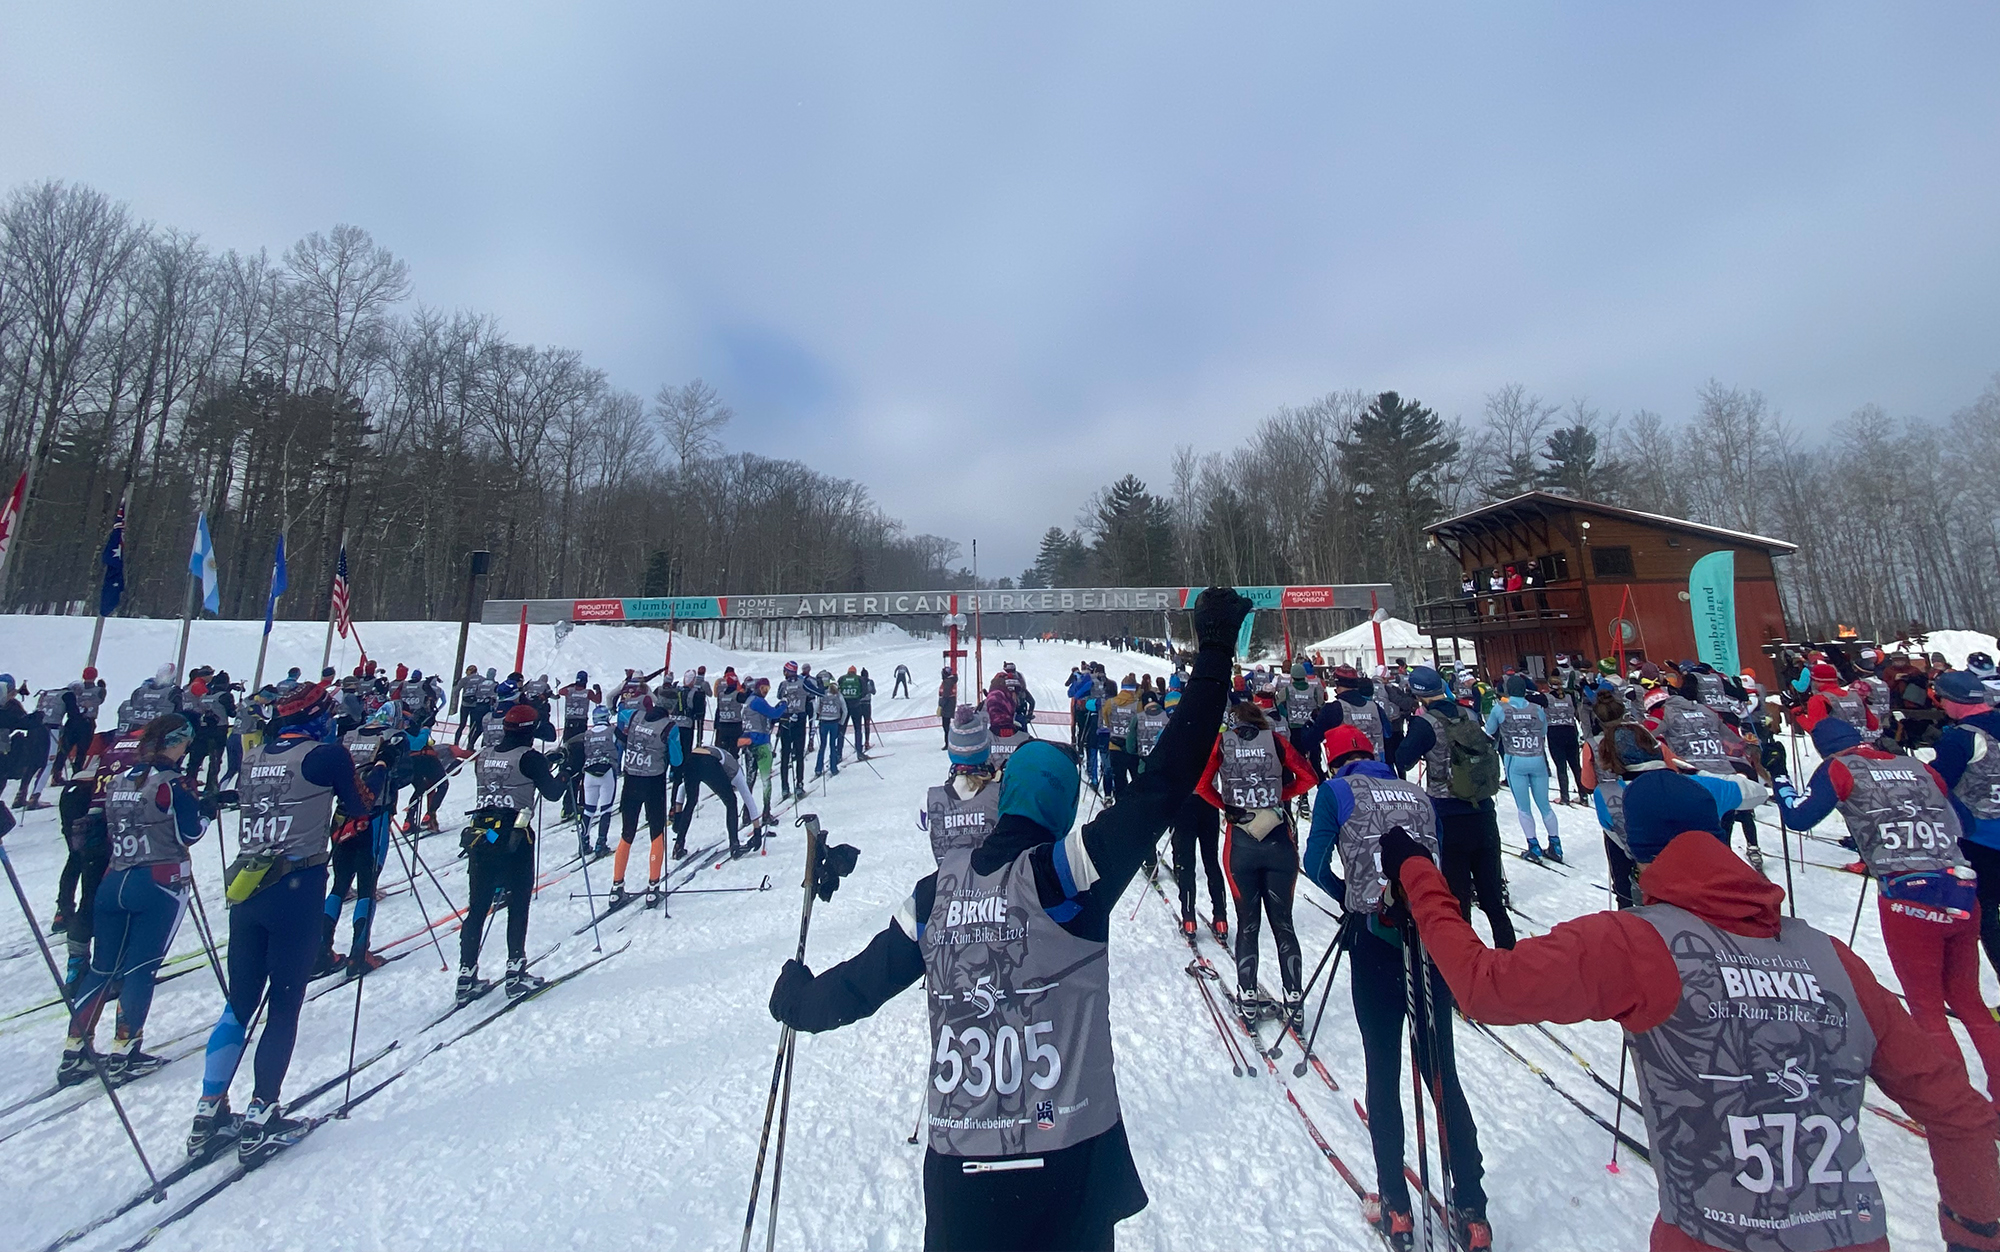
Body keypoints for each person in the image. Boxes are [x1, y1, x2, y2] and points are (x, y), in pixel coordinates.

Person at [767, 587, 1250, 1251]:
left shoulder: (935, 894)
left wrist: (796, 999)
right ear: (1059, 808)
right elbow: (1167, 781)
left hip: (963, 1179)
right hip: (1070, 1167)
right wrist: (1216, 650)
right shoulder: (1070, 875)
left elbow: (857, 987)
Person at [1375, 767, 2000, 1252]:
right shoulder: (1831, 955)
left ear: (1635, 848)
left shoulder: (1636, 942)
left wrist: (1417, 873)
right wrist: (1973, 1229)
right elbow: (1960, 1114)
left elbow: (1485, 988)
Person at [1303, 723, 1489, 1249]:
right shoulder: (1418, 794)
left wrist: (1348, 895)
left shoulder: (1335, 790)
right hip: (1431, 940)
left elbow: (1314, 863)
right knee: (1441, 1071)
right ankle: (1472, 1206)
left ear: (1337, 760)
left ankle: (1395, 1206)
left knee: (1382, 1068)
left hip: (1375, 939)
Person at [1767, 713, 2000, 1096]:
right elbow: (1966, 825)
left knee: (1926, 1005)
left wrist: (1779, 777)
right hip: (1959, 886)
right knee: (1967, 999)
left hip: (1909, 894)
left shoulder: (1837, 768)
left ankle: (1953, 1099)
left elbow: (1799, 817)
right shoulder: (1917, 765)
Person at [192, 681, 369, 1166]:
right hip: (297, 884)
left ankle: (209, 1109)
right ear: (315, 716)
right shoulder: (326, 754)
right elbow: (361, 805)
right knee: (285, 1002)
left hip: (248, 887)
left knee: (239, 1002)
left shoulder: (255, 754)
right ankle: (262, 1111)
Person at [57, 714, 212, 1086]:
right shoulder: (171, 782)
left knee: (102, 968)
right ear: (176, 743)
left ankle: (74, 1049)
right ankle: (126, 1050)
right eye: (184, 744)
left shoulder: (119, 780)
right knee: (140, 968)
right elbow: (190, 833)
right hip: (158, 881)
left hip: (116, 878)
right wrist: (208, 809)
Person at [1196, 696, 1316, 1025]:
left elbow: (1202, 784)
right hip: (1279, 842)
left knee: (1248, 924)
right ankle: (1294, 998)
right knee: (1284, 924)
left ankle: (1247, 995)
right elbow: (1309, 777)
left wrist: (1226, 806)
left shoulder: (1223, 742)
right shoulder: (1276, 741)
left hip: (1241, 844)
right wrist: (1280, 795)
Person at [1395, 666, 1514, 949]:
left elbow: (1402, 758)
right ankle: (1511, 960)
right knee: (1493, 900)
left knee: (1458, 899)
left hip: (1448, 815)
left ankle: (1468, 966)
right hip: (1483, 811)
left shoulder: (1426, 723)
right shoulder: (1468, 714)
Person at [459, 703, 566, 999]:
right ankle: (515, 971)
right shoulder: (530, 756)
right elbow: (552, 792)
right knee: (518, 904)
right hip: (514, 836)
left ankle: (466, 975)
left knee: (477, 906)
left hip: (483, 833)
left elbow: (508, 773)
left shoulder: (485, 754)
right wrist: (565, 771)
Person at [1649, 674, 1766, 873]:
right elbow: (1732, 738)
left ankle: (1707, 877)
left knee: (1698, 838)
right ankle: (1730, 869)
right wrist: (1750, 746)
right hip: (1724, 775)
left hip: (1695, 779)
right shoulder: (1707, 710)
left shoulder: (1663, 713)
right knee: (1723, 834)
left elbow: (1643, 736)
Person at [1934, 668, 2000, 983]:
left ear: (1953, 700)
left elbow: (1937, 784)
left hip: (1982, 838)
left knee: (1985, 917)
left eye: (1941, 699)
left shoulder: (1962, 737)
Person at [1485, 673, 1562, 862]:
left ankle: (1533, 847)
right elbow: (1543, 730)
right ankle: (1556, 845)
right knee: (1545, 805)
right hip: (1537, 759)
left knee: (1524, 807)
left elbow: (1489, 731)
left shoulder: (1500, 708)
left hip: (1515, 759)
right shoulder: (1537, 708)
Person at [613, 692, 675, 906]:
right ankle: (653, 886)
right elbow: (677, 760)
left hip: (631, 781)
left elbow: (621, 715)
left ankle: (616, 885)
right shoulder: (669, 726)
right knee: (656, 833)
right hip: (653, 783)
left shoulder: (634, 716)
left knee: (627, 833)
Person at [921, 706, 1001, 862]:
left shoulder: (928, 800)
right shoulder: (1001, 795)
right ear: (985, 750)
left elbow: (922, 825)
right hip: (990, 884)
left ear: (952, 753)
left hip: (947, 883)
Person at [670, 740, 765, 860]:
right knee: (731, 802)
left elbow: (681, 787)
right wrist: (757, 829)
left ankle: (678, 845)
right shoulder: (737, 774)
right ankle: (734, 846)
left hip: (692, 758)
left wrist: (678, 815)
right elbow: (748, 799)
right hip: (708, 761)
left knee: (691, 801)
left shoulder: (728, 764)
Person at [574, 705, 619, 859]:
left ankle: (583, 842)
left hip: (589, 773)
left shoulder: (588, 733)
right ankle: (601, 843)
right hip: (606, 771)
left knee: (589, 809)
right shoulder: (612, 731)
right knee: (605, 808)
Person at [741, 676, 786, 817]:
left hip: (748, 743)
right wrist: (784, 704)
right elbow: (774, 713)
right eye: (763, 689)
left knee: (750, 778)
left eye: (768, 689)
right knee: (766, 779)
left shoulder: (749, 701)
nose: (765, 692)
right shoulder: (758, 701)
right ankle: (766, 812)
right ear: (758, 688)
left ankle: (747, 813)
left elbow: (768, 717)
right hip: (760, 743)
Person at [777, 662, 812, 800]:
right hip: (799, 720)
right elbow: (811, 696)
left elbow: (779, 696)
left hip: (787, 720)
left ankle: (785, 787)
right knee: (798, 754)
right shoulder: (803, 682)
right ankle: (798, 784)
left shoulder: (783, 684)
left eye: (785, 670)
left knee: (785, 755)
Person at [815, 681, 847, 778]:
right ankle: (833, 768)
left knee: (822, 745)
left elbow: (816, 708)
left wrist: (819, 714)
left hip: (823, 722)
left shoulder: (822, 694)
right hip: (834, 722)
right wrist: (841, 722)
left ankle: (818, 769)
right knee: (833, 745)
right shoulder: (838, 695)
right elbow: (845, 710)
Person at [936, 666, 959, 749]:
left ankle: (948, 743)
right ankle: (948, 742)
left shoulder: (948, 682)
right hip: (949, 705)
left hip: (947, 706)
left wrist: (941, 706)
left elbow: (945, 695)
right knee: (946, 725)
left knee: (946, 726)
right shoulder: (950, 681)